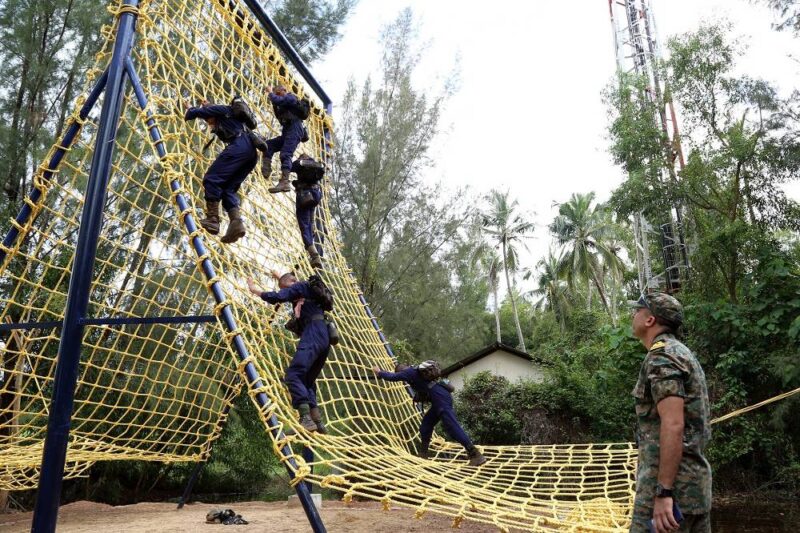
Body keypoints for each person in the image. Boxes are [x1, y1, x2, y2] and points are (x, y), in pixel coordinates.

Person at [629, 293, 712, 533]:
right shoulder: (681, 352)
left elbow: (674, 424)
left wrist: (664, 491)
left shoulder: (662, 356)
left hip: (671, 496)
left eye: (637, 310)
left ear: (650, 320)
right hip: (693, 488)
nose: (633, 315)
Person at [247, 271, 330, 433]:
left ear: (291, 283)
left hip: (313, 333)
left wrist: (255, 290)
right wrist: (279, 277)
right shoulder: (307, 289)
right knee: (307, 380)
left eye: (284, 287)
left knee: (293, 375)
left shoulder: (299, 286)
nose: (286, 292)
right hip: (324, 336)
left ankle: (305, 419)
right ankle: (317, 421)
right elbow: (288, 284)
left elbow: (279, 296)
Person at [371, 362, 488, 467]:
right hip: (439, 398)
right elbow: (426, 388)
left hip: (440, 399)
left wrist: (379, 372)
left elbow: (392, 377)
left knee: (452, 426)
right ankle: (423, 454)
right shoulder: (415, 371)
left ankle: (475, 454)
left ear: (400, 370)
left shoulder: (407, 372)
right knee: (426, 425)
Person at [184, 99, 258, 244]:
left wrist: (190, 109)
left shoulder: (221, 109)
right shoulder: (229, 117)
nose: (208, 123)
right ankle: (236, 223)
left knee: (212, 178)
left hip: (239, 147)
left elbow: (197, 113)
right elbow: (208, 114)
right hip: (250, 154)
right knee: (227, 190)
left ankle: (212, 219)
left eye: (208, 120)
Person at [263, 85, 306, 194]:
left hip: (295, 129)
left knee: (286, 153)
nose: (277, 96)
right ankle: (266, 168)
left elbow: (278, 100)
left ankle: (285, 181)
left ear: (283, 91)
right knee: (269, 145)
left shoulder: (291, 97)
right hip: (287, 131)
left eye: (278, 93)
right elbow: (279, 112)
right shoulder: (280, 106)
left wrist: (270, 93)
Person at [291, 154, 324, 269]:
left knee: (304, 225)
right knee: (310, 221)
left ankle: (314, 255)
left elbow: (290, 167)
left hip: (305, 196)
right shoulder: (316, 165)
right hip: (316, 195)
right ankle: (309, 250)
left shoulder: (300, 163)